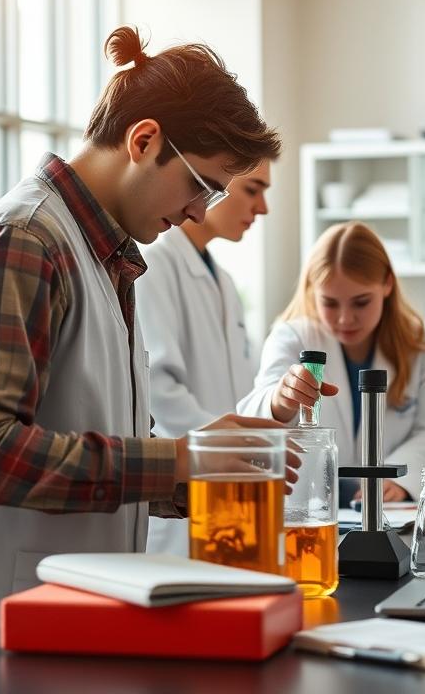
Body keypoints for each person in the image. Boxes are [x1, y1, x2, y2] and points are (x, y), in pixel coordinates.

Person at [0, 27, 286, 664]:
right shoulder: (25, 242)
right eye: (202, 185)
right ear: (144, 140)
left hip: (59, 620)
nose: (201, 213)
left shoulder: (105, 258)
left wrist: (200, 475)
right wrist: (177, 458)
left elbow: (89, 437)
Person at [239, 222, 425, 503]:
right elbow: (252, 420)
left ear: (387, 283)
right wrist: (279, 401)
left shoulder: (424, 343)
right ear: (313, 290)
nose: (345, 319)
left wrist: (396, 480)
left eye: (361, 302)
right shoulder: (291, 337)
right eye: (330, 303)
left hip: (387, 504)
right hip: (308, 504)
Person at [135, 158, 274, 556]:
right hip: (181, 503)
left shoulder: (225, 283)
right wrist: (233, 450)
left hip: (224, 492)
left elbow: (240, 389)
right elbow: (158, 390)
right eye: (252, 189)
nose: (261, 208)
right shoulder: (156, 264)